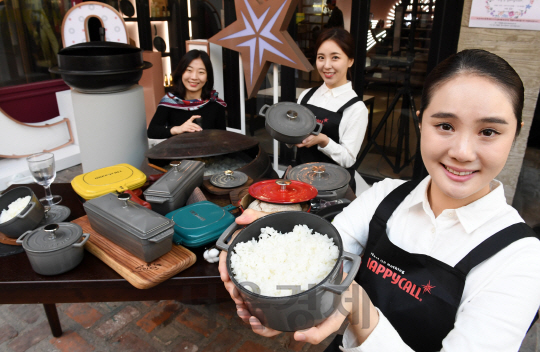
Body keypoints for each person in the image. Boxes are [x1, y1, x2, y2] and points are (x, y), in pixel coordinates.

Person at [219, 49, 540, 351]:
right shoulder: (385, 195)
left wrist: (358, 309)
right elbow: (322, 257)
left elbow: (343, 290)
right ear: (420, 120)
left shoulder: (521, 257)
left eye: (488, 132)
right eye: (445, 125)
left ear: (516, 134)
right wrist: (268, 258)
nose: (462, 152)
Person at [296, 28, 368, 192]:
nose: (326, 65)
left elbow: (348, 160)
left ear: (350, 60)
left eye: (335, 57)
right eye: (321, 58)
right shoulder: (307, 96)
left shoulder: (356, 108)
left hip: (333, 190)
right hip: (301, 181)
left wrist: (323, 140)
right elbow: (295, 134)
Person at [147, 50, 227, 140]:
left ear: (208, 77)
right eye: (189, 70)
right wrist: (178, 129)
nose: (194, 77)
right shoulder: (170, 101)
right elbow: (152, 131)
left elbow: (222, 138)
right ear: (181, 73)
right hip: (177, 152)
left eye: (201, 72)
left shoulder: (215, 104)